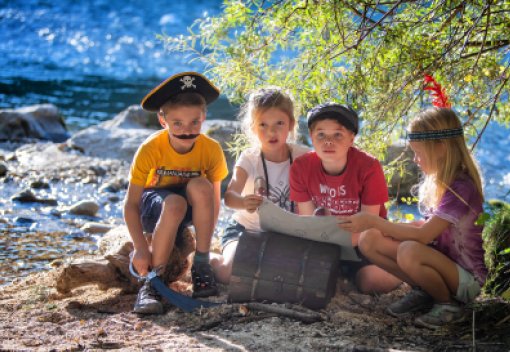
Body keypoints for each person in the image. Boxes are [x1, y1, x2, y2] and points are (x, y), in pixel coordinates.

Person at [337, 107, 487, 329]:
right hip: (442, 264)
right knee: (370, 239)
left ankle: (448, 305)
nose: (415, 160)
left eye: (419, 152)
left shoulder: (461, 187)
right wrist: (383, 229)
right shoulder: (440, 184)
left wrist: (375, 221)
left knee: (408, 249)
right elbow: (425, 226)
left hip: (465, 279)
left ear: (440, 148)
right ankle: (426, 290)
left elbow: (424, 236)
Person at [124, 71, 229, 315]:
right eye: (177, 123)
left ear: (203, 117)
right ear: (163, 121)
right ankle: (152, 281)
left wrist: (205, 249)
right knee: (174, 204)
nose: (187, 130)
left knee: (201, 186)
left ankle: (201, 266)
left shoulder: (211, 150)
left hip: (191, 207)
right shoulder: (150, 148)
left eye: (194, 122)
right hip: (155, 206)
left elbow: (214, 201)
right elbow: (130, 203)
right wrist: (139, 247)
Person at [289, 102, 402, 294]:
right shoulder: (301, 167)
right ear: (311, 137)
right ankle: (340, 272)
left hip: (364, 241)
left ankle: (401, 270)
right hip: (324, 240)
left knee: (371, 282)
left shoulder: (369, 166)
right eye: (321, 134)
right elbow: (307, 220)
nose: (328, 142)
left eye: (338, 135)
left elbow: (369, 223)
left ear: (352, 137)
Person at [212, 87, 309, 283]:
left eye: (279, 123)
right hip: (247, 229)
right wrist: (244, 202)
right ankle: (205, 259)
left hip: (288, 233)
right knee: (226, 273)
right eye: (263, 124)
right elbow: (230, 197)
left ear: (291, 124)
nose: (271, 132)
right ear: (253, 128)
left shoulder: (303, 156)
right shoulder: (249, 158)